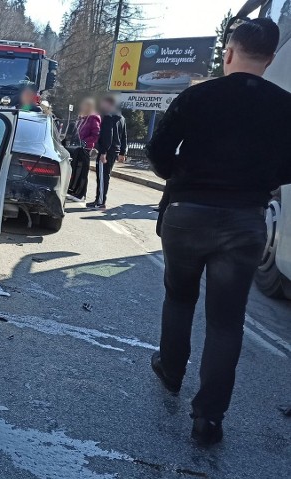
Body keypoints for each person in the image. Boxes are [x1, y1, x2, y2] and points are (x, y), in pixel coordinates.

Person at [146, 18, 291, 446]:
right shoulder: (285, 107)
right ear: (270, 58)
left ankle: (171, 372)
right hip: (245, 221)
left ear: (229, 52)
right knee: (226, 322)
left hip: (187, 214)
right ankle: (208, 419)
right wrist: (260, 182)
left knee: (179, 295)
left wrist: (182, 179)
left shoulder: (197, 96)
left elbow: (158, 150)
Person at [87, 95, 127, 209]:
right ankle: (100, 200)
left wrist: (103, 152)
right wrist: (122, 153)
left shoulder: (109, 117)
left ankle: (100, 202)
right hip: (114, 151)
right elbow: (124, 137)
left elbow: (108, 135)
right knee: (106, 175)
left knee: (102, 177)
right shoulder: (121, 118)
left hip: (106, 151)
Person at [66, 98, 101, 202]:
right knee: (76, 170)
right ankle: (74, 191)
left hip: (85, 148)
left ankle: (81, 195)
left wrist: (85, 142)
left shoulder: (93, 118)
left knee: (82, 172)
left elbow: (96, 134)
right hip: (78, 147)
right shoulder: (83, 118)